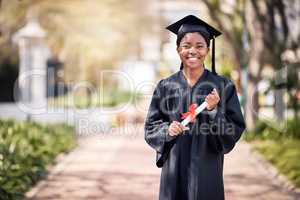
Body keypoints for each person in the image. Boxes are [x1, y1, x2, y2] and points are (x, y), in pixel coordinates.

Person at [144, 15, 246, 200]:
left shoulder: (223, 86)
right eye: (186, 45)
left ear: (207, 49)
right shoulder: (166, 86)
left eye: (199, 46)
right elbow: (151, 126)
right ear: (178, 50)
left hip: (207, 168)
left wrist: (214, 111)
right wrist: (167, 130)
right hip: (174, 168)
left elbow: (234, 128)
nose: (193, 51)